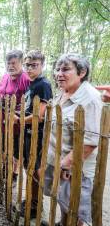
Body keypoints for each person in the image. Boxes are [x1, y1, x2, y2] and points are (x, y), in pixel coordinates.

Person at [43, 53, 103, 226]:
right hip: (57, 162)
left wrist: (65, 164)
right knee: (63, 203)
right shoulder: (63, 93)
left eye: (66, 69)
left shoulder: (90, 99)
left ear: (82, 72)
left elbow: (90, 142)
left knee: (75, 211)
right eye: (58, 69)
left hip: (76, 169)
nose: (59, 73)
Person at [19, 50, 53, 218]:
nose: (30, 68)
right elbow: (29, 108)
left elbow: (39, 116)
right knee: (29, 168)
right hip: (28, 133)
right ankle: (31, 199)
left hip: (37, 135)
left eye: (34, 65)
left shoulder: (43, 84)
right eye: (28, 65)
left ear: (42, 65)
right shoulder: (31, 84)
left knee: (35, 169)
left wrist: (18, 120)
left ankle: (36, 204)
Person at [0, 50, 30, 182]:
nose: (10, 66)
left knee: (15, 148)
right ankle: (5, 167)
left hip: (16, 122)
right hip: (2, 119)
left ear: (21, 63)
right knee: (2, 145)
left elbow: (30, 103)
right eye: (8, 63)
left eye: (14, 63)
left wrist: (17, 115)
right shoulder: (5, 76)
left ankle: (14, 173)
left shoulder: (25, 79)